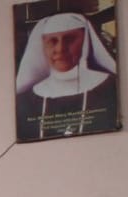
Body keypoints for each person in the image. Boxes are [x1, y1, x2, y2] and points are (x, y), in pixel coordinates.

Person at [15, 11, 119, 142]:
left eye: (69, 39)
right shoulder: (25, 102)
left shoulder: (111, 89)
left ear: (85, 41)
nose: (60, 49)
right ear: (42, 45)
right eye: (52, 41)